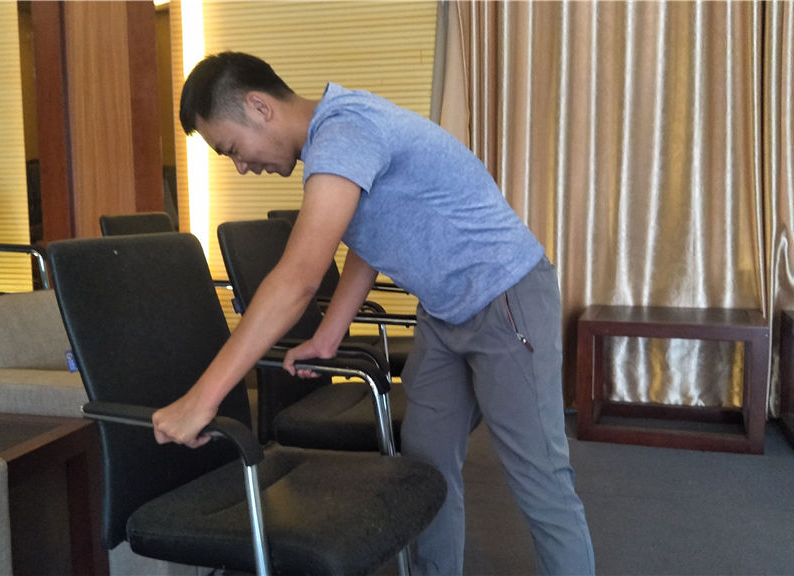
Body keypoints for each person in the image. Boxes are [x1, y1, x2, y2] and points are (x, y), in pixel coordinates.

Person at [153, 51, 595, 575]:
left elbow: (298, 278)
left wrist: (201, 400)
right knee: (426, 469)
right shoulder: (332, 142)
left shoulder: (344, 130)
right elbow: (371, 237)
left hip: (506, 299)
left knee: (540, 478)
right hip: (443, 312)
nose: (242, 166)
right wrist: (329, 334)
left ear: (259, 106)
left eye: (231, 149)